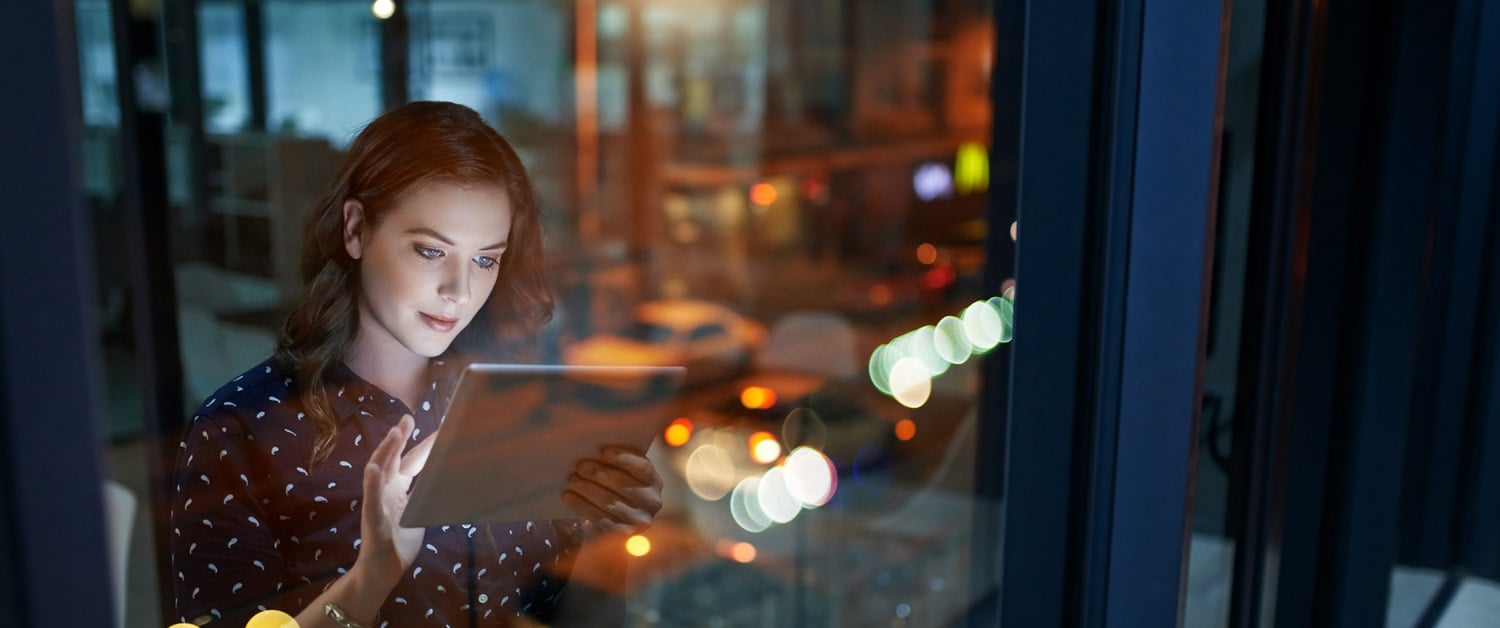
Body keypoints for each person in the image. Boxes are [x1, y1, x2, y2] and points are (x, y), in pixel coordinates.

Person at [170, 101, 663, 627]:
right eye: (430, 251)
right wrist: (372, 576)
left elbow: (555, 610)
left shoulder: (510, 408)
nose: (459, 290)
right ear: (356, 229)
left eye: (485, 259)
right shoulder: (240, 430)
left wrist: (609, 527)